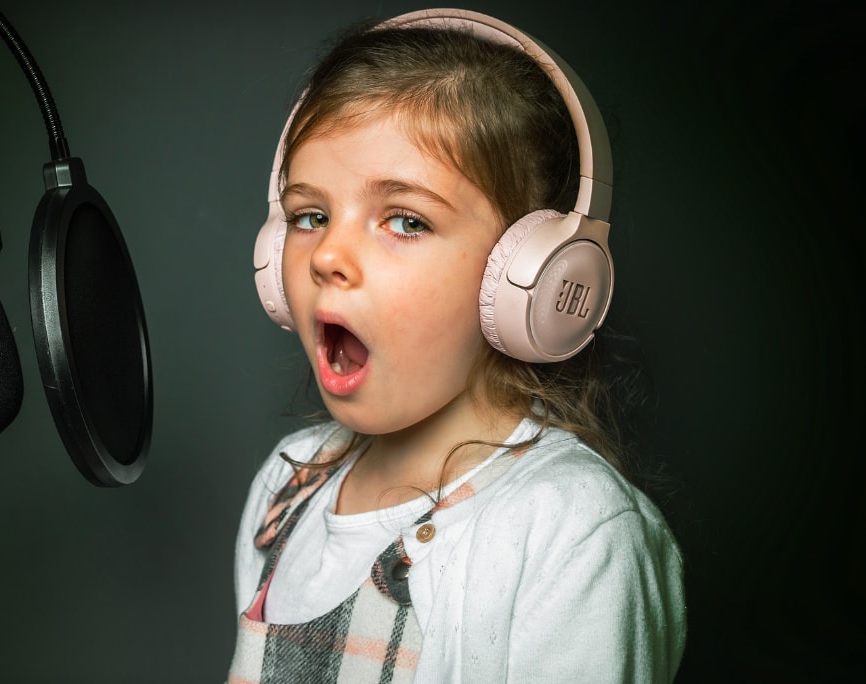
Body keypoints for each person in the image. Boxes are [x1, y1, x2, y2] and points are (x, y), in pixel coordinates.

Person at [230, 8, 686, 683]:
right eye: (310, 216)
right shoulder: (287, 480)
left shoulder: (569, 529)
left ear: (529, 275)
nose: (327, 253)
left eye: (406, 220)